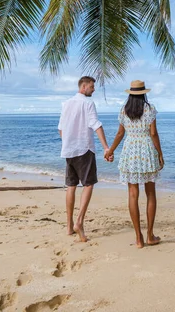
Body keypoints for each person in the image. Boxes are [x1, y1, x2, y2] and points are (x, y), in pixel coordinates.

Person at [104, 80, 164, 249]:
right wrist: (160, 153)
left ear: (130, 93)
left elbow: (120, 133)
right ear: (144, 93)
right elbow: (153, 133)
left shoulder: (124, 110)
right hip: (146, 151)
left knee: (132, 194)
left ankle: (138, 239)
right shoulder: (150, 109)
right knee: (150, 194)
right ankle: (150, 235)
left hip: (130, 151)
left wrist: (111, 150)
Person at [58, 76, 111, 242]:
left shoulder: (66, 104)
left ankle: (69, 226)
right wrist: (106, 148)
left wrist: (68, 141)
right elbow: (96, 124)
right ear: (83, 86)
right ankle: (79, 222)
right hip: (84, 149)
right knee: (88, 184)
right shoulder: (88, 103)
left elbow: (61, 129)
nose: (93, 89)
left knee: (71, 186)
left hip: (69, 150)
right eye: (92, 87)